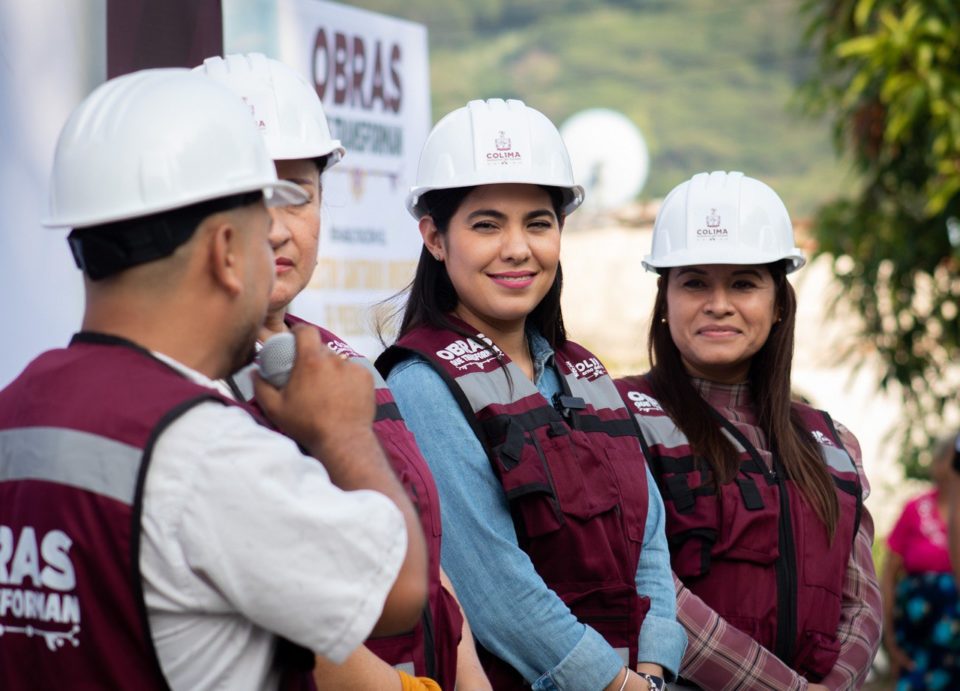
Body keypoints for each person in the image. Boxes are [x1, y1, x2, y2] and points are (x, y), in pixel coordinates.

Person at [0, 68, 428, 690]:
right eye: (263, 230)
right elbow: (399, 590)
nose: (275, 246)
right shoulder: (209, 449)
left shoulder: (18, 406)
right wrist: (346, 437)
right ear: (226, 250)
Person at [196, 53, 491, 691]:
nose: (275, 229)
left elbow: (428, 552)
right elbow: (290, 626)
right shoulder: (186, 386)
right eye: (246, 197)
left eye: (296, 195)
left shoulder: (341, 357)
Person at [376, 98, 687, 691]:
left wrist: (652, 669)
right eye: (487, 224)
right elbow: (492, 586)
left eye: (537, 223)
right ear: (435, 238)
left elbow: (648, 537)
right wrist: (616, 685)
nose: (517, 248)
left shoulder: (585, 373)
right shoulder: (422, 383)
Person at [615, 170, 883, 690]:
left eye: (743, 282)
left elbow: (862, 601)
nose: (719, 303)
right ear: (664, 301)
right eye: (694, 281)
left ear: (779, 303)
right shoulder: (619, 420)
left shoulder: (834, 441)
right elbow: (649, 589)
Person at [881, 434, 960, 689]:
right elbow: (888, 575)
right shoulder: (915, 509)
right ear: (937, 464)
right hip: (916, 647)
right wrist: (889, 641)